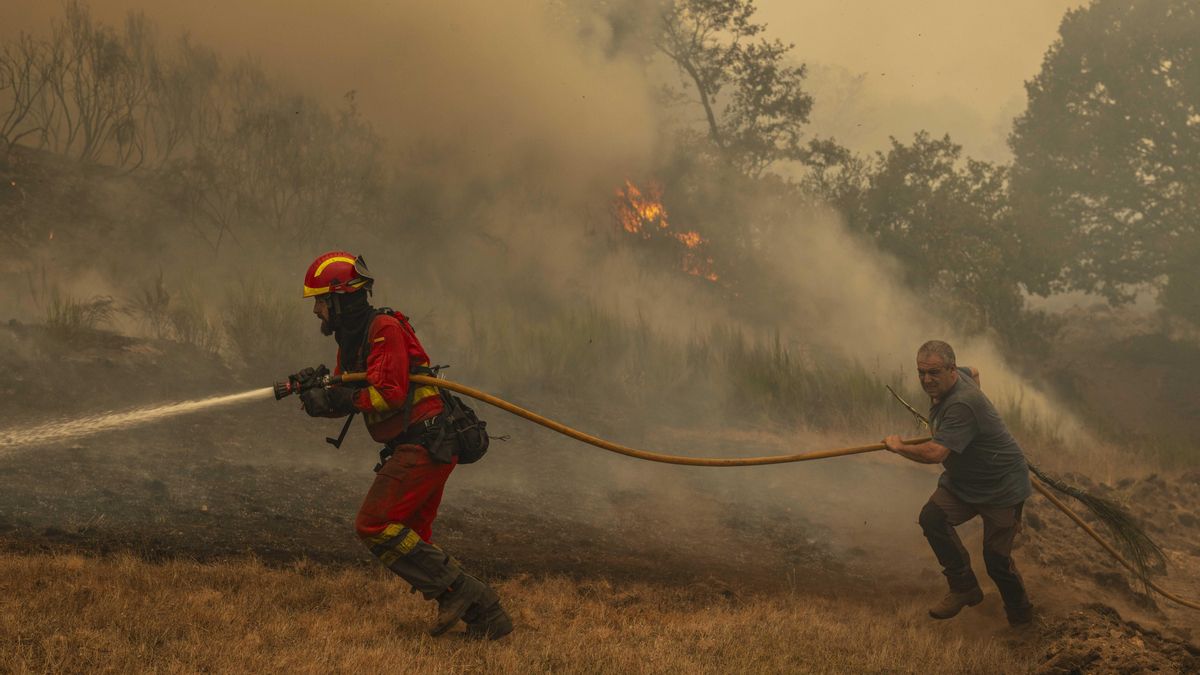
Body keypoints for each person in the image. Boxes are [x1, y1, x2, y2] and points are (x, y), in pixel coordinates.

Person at [296, 250, 512, 640]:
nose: (316, 312)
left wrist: (341, 396)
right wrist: (319, 396)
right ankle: (486, 616)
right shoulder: (352, 340)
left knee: (374, 524)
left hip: (426, 442)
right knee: (410, 535)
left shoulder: (384, 329)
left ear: (341, 299)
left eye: (320, 302)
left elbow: (388, 395)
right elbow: (356, 396)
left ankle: (467, 594)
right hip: (417, 445)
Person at [883, 340, 1034, 627]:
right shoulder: (960, 378)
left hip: (1002, 487)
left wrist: (899, 446)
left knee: (996, 560)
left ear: (951, 370)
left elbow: (936, 453)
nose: (927, 380)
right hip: (964, 481)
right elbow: (975, 370)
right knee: (933, 518)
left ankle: (1021, 617)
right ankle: (964, 587)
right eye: (921, 373)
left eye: (934, 373)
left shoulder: (962, 404)